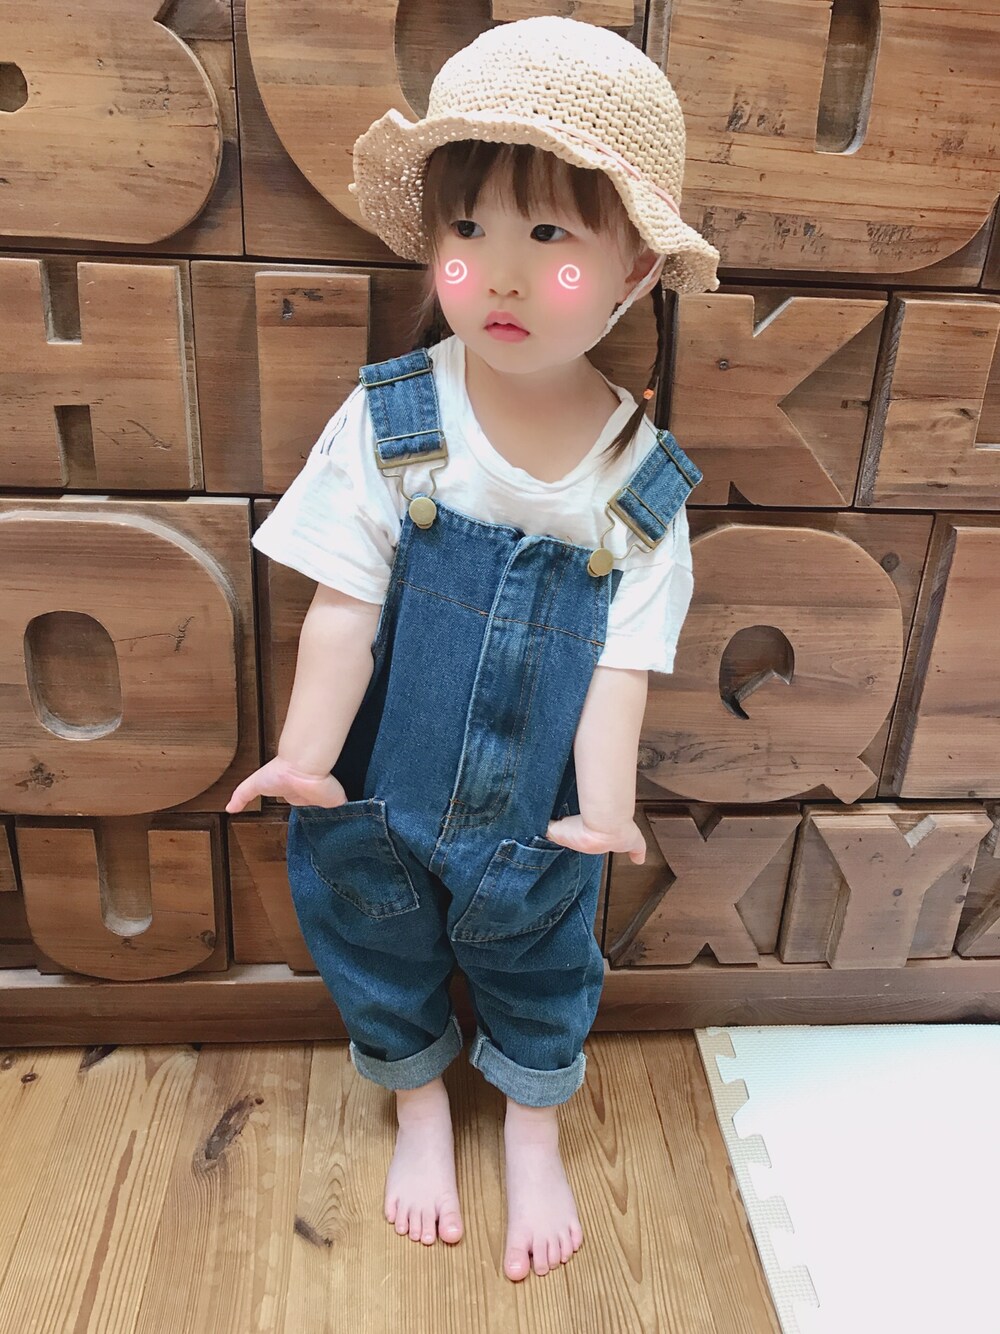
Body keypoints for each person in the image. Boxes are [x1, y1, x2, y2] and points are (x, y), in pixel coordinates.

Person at [227, 15, 719, 1281]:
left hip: (535, 818)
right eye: (468, 229)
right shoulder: (397, 418)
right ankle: (420, 1106)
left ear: (632, 272)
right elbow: (342, 604)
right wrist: (303, 756)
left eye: (548, 236)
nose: (499, 274)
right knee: (370, 941)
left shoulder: (637, 483)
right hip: (383, 786)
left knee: (545, 964)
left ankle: (535, 1127)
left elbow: (620, 664)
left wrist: (603, 810)